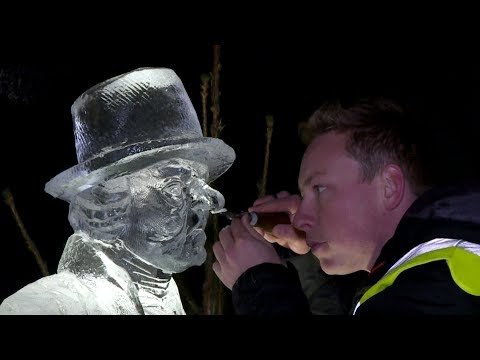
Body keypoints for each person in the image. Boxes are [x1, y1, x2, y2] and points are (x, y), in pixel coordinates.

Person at [212, 97, 480, 315]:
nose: (302, 217)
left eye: (320, 188)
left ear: (389, 186)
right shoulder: (434, 269)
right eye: (304, 196)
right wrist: (308, 255)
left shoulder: (442, 278)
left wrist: (258, 283)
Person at [0, 67, 235, 315]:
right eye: (174, 188)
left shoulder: (165, 302)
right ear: (107, 203)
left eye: (200, 184)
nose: (206, 205)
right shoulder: (47, 307)